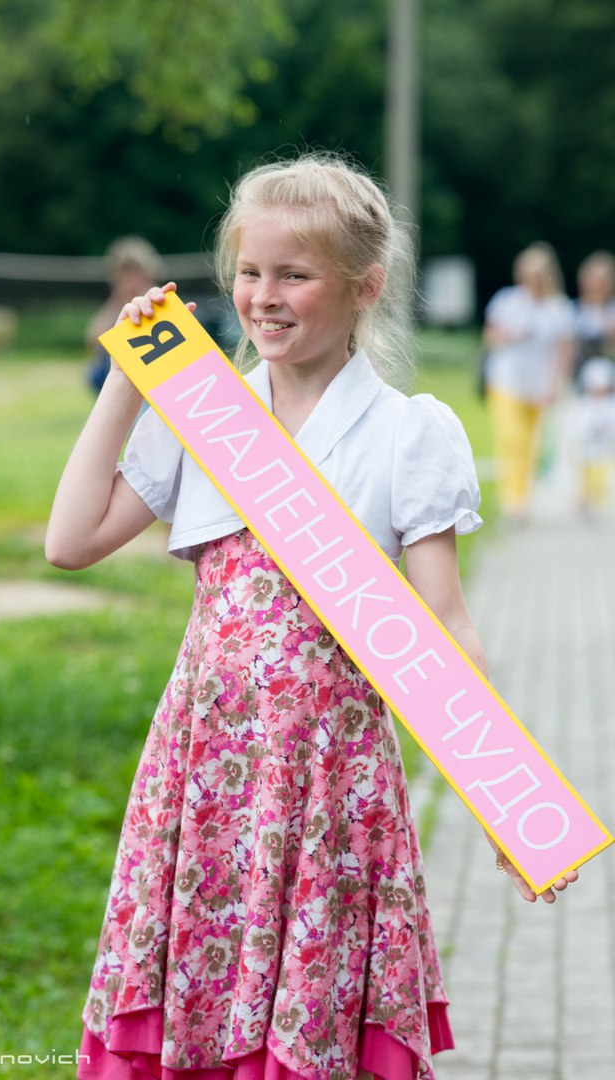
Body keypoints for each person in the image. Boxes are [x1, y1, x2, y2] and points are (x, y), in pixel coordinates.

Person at [46, 154, 577, 1080]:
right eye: (250, 272)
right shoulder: (204, 416)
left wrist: (506, 801)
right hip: (206, 773)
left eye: (295, 274)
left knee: (313, 1021)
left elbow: (445, 623)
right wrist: (132, 379)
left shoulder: (410, 433)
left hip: (332, 789)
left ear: (364, 286)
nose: (265, 296)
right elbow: (71, 540)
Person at [483, 242, 576, 521]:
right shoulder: (507, 301)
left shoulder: (559, 309)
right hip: (506, 382)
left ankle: (523, 494)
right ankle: (513, 501)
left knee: (533, 445)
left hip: (540, 387)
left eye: (538, 274)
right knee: (511, 439)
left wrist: (556, 385)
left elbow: (564, 351)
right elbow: (490, 338)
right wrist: (510, 335)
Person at [86, 237, 165, 394]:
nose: (128, 282)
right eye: (123, 275)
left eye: (134, 274)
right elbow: (93, 339)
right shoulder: (117, 302)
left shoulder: (156, 298)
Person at [567, 355, 615, 516]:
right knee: (585, 476)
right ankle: (584, 500)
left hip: (604, 448)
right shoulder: (583, 405)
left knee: (601, 475)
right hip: (586, 447)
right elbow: (577, 426)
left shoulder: (610, 405)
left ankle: (598, 503)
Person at [573, 251, 615, 383]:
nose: (599, 285)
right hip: (579, 380)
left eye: (604, 280)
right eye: (595, 279)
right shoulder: (573, 311)